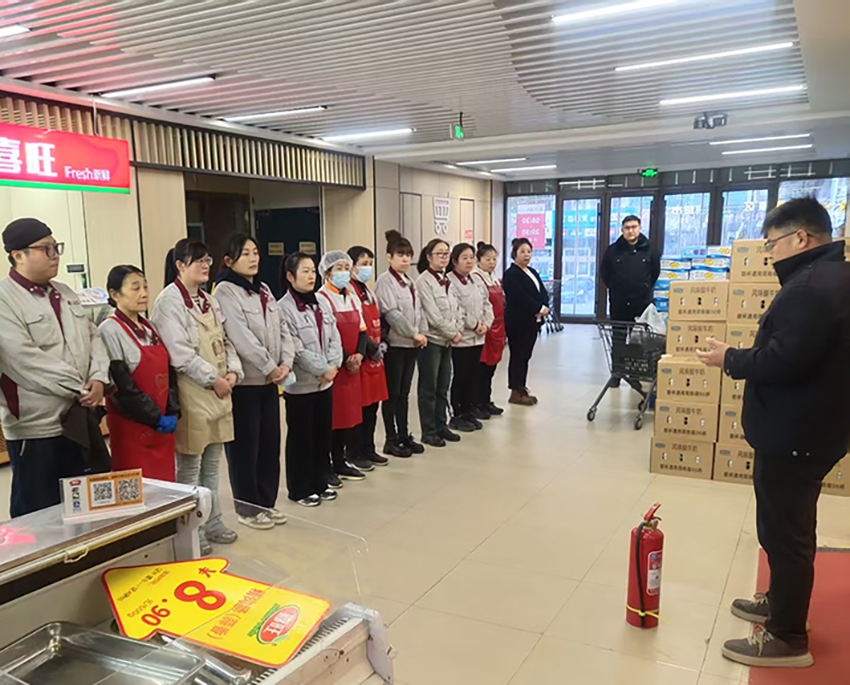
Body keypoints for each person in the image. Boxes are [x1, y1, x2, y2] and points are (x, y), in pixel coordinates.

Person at [696, 197, 850, 668]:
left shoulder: (810, 287)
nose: (769, 254)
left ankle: (786, 636)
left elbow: (784, 361)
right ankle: (781, 602)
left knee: (786, 533)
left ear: (800, 238)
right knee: (787, 527)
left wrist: (730, 358)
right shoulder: (835, 277)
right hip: (812, 426)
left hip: (796, 433)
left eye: (772, 244)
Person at [0, 218, 111, 517]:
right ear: (18, 255)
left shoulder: (66, 293)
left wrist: (98, 379)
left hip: (80, 418)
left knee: (84, 507)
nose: (55, 255)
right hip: (37, 427)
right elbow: (23, 359)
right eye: (45, 249)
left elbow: (93, 336)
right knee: (38, 514)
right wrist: (82, 388)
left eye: (56, 247)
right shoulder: (4, 300)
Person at [152, 239, 243, 555]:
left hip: (220, 390)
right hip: (193, 391)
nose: (205, 266)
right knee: (190, 468)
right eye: (198, 261)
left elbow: (226, 341)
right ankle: (192, 529)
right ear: (180, 265)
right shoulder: (168, 302)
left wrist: (233, 372)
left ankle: (213, 520)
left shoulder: (209, 299)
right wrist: (213, 379)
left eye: (207, 260)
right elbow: (180, 354)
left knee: (213, 465)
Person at [213, 234, 296, 530]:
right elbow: (239, 336)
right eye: (245, 253)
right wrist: (270, 366)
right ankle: (247, 508)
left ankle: (266, 503)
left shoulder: (263, 289)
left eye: (255, 252)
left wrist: (286, 362)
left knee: (269, 445)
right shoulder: (225, 290)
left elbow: (282, 328)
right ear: (229, 260)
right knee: (245, 449)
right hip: (246, 383)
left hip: (270, 382)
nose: (253, 258)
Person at [100, 265, 179, 480]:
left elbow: (169, 373)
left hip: (162, 429)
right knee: (136, 487)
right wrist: (154, 418)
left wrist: (172, 412)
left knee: (165, 487)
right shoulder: (109, 330)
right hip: (132, 428)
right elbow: (121, 388)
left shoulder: (150, 327)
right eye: (135, 288)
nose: (144, 293)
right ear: (115, 294)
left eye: (145, 287)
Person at [279, 252, 343, 507]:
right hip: (301, 386)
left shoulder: (322, 302)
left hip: (325, 383)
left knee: (321, 435)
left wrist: (333, 366)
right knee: (301, 438)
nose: (310, 276)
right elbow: (294, 347)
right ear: (290, 276)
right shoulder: (282, 308)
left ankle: (320, 482)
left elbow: (334, 336)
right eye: (304, 271)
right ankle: (300, 488)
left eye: (312, 271)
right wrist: (321, 368)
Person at [318, 250, 379, 479]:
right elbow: (328, 335)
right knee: (334, 416)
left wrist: (360, 355)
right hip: (336, 366)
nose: (343, 272)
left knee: (349, 415)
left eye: (346, 267)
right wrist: (346, 358)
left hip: (354, 366)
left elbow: (362, 330)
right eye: (339, 268)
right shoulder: (322, 297)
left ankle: (342, 460)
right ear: (327, 273)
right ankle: (329, 463)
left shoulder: (352, 296)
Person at [375, 230, 428, 457]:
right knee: (392, 393)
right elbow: (392, 314)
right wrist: (414, 334)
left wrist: (421, 333)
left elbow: (419, 311)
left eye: (408, 255)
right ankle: (391, 439)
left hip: (411, 345)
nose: (405, 259)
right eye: (400, 255)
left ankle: (404, 434)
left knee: (404, 393)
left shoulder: (409, 281)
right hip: (396, 345)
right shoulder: (384, 282)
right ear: (389, 257)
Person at [416, 238, 465, 443]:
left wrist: (458, 329)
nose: (444, 257)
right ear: (429, 256)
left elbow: (458, 309)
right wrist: (452, 333)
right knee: (429, 388)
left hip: (447, 341)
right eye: (439, 253)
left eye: (446, 253)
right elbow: (433, 315)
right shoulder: (423, 281)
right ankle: (429, 431)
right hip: (432, 341)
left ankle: (441, 425)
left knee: (443, 386)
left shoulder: (447, 280)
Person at [348, 245, 390, 468]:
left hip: (376, 358)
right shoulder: (349, 291)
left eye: (370, 264)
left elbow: (378, 319)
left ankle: (369, 448)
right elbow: (355, 325)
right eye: (364, 264)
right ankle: (354, 453)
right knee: (359, 408)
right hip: (362, 356)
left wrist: (382, 341)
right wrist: (370, 348)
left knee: (373, 406)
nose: (368, 268)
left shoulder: (368, 290)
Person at [447, 243, 494, 429]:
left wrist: (486, 324)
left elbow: (487, 303)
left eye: (471, 257)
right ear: (455, 261)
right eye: (464, 258)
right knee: (461, 376)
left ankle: (468, 411)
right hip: (462, 338)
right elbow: (457, 309)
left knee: (473, 376)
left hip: (478, 337)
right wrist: (475, 324)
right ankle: (457, 413)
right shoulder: (450, 281)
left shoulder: (475, 279)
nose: (469, 261)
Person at [503, 238, 549, 406]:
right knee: (518, 356)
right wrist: (538, 307)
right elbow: (519, 297)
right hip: (518, 322)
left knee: (525, 356)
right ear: (514, 253)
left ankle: (521, 387)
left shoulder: (532, 271)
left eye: (529, 251)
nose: (526, 255)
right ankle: (515, 390)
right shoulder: (511, 274)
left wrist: (544, 305)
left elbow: (542, 291)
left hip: (532, 321)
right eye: (522, 251)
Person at [600, 214, 660, 323]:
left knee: (642, 333)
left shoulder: (650, 250)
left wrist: (644, 286)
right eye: (627, 228)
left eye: (634, 227)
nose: (630, 231)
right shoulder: (612, 251)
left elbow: (655, 272)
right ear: (622, 230)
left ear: (639, 228)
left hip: (642, 303)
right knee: (619, 332)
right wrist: (615, 287)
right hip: (619, 303)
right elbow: (605, 273)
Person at [473, 242, 506, 416]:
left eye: (494, 259)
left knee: (492, 368)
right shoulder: (476, 277)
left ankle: (486, 400)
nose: (492, 262)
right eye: (488, 259)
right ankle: (477, 402)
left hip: (499, 326)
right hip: (486, 327)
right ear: (479, 260)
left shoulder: (493, 277)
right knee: (481, 368)